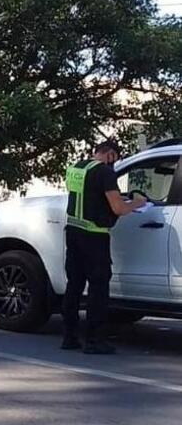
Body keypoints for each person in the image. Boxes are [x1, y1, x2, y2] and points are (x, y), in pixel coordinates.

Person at [62, 139, 146, 354]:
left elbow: (89, 196)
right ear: (109, 154)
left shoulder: (77, 168)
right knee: (98, 290)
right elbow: (117, 208)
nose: (114, 165)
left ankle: (69, 337)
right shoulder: (105, 173)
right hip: (95, 236)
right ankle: (94, 341)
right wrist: (137, 202)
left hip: (73, 232)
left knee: (74, 285)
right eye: (114, 159)